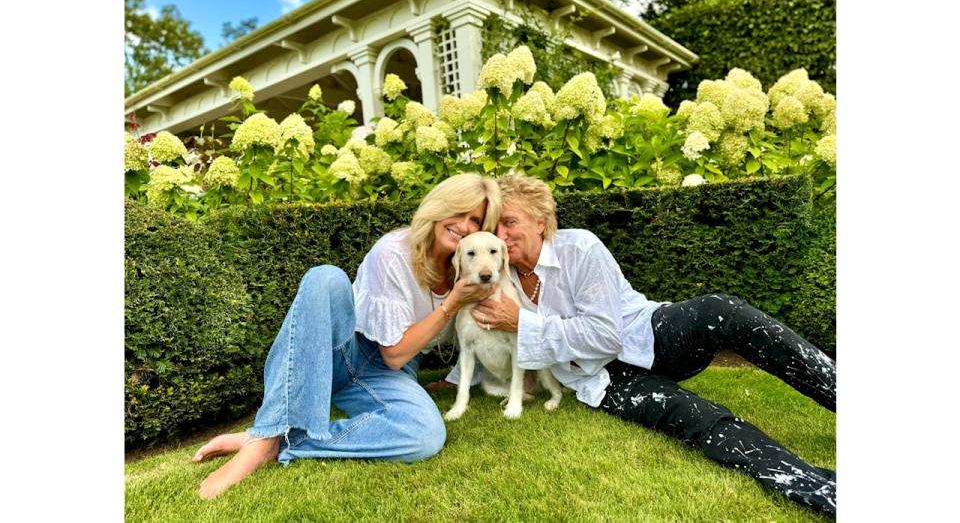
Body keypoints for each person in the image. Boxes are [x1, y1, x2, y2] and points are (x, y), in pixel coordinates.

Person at [463, 173, 837, 515]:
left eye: (510, 222)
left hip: (647, 333)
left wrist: (523, 323)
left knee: (720, 310)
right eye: (494, 227)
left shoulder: (580, 248)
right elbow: (478, 336)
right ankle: (821, 491)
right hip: (606, 382)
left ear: (541, 221)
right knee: (699, 419)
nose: (501, 235)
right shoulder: (493, 272)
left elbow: (605, 335)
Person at [191, 173, 501, 499]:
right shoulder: (394, 251)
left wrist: (458, 376)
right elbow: (393, 351)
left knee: (423, 435)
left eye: (475, 219)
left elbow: (476, 331)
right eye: (458, 211)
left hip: (390, 376)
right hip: (344, 352)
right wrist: (452, 302)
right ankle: (264, 437)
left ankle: (283, 440)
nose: (465, 225)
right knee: (325, 279)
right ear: (439, 207)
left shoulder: (474, 265)